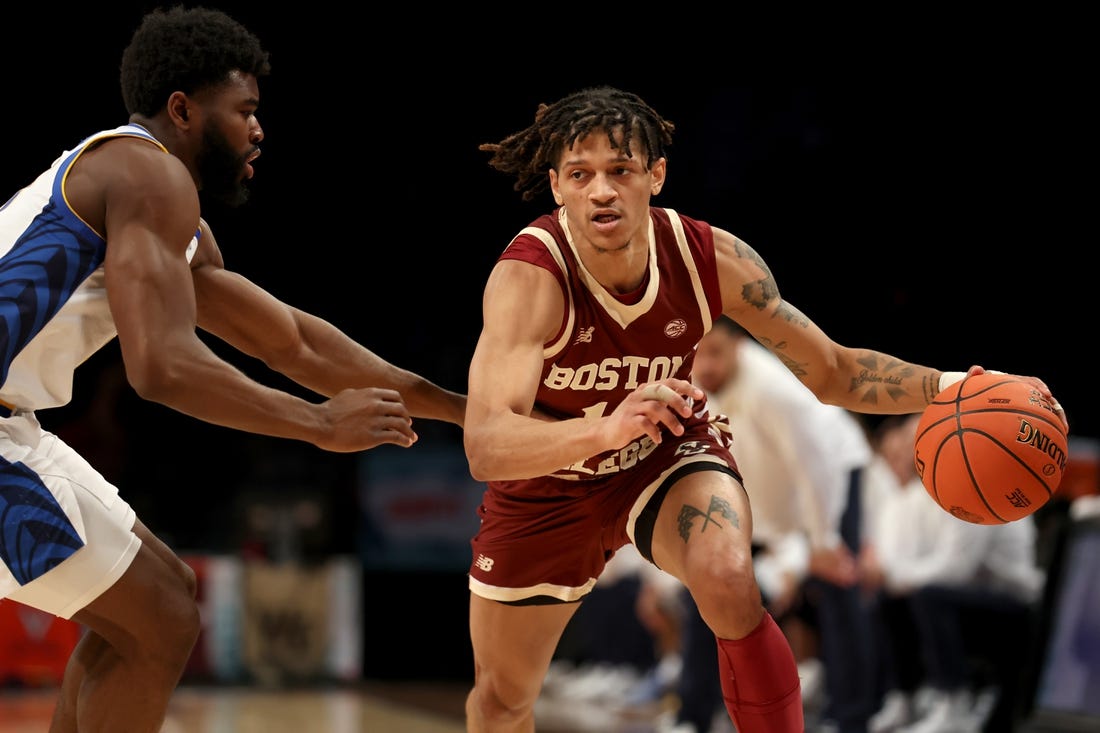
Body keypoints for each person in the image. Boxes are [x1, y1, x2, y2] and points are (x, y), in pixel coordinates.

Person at [461, 84, 1066, 733]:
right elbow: (487, 442)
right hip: (550, 485)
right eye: (580, 175)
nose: (601, 191)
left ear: (655, 174)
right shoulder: (530, 277)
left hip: (659, 450)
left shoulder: (712, 258)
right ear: (557, 186)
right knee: (502, 702)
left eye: (620, 171)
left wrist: (956, 385)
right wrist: (602, 427)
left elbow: (832, 371)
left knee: (726, 574)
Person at [0, 7, 464, 733]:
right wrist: (315, 423)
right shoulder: (147, 175)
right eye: (244, 110)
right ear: (183, 109)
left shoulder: (155, 203)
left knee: (162, 608)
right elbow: (161, 366)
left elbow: (295, 344)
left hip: (12, 425)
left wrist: (464, 410)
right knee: (157, 617)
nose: (258, 129)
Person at [659, 315, 880, 733]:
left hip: (830, 480)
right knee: (706, 588)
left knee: (838, 590)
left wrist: (823, 541)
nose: (704, 365)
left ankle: (851, 718)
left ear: (739, 348)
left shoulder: (774, 390)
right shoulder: (692, 386)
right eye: (697, 354)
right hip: (763, 500)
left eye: (715, 353)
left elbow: (814, 465)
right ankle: (692, 716)